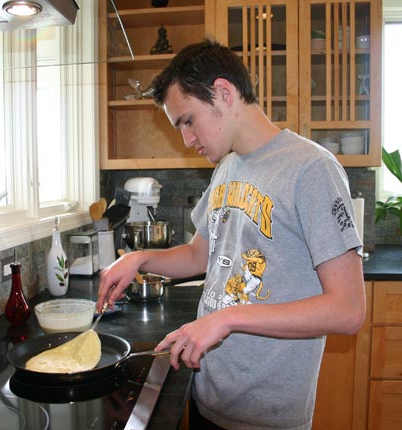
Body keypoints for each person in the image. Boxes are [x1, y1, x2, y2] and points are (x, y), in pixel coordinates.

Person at [97, 39, 366, 430]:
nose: (186, 139)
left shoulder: (310, 170)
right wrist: (139, 259)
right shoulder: (227, 167)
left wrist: (227, 319)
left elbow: (348, 310)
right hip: (210, 394)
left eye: (187, 121)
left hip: (267, 414)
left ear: (223, 93)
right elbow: (197, 255)